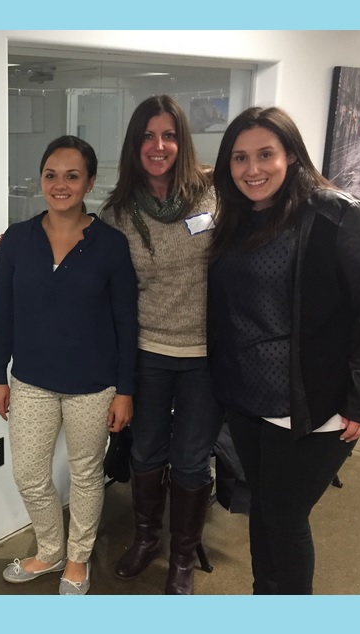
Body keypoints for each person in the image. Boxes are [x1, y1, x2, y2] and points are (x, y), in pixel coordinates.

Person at [207, 106, 360, 594]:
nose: (252, 169)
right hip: (246, 397)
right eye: (240, 158)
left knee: (285, 515)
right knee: (263, 507)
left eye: (266, 155)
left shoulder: (335, 214)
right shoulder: (236, 217)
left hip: (311, 400)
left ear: (292, 156)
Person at [0, 135, 138, 595]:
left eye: (72, 176)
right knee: (29, 474)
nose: (60, 184)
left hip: (94, 385)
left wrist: (125, 390)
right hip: (31, 381)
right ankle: (51, 550)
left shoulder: (111, 245)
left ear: (89, 182)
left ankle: (77, 559)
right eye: (51, 175)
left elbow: (126, 323)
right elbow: (2, 314)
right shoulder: (17, 240)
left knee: (86, 475)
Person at [99, 95, 223, 594]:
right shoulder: (117, 212)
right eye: (148, 136)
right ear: (135, 143)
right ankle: (147, 538)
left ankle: (183, 558)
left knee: (191, 459)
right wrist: (24, 241)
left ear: (182, 141)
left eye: (169, 135)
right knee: (147, 452)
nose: (159, 145)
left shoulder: (215, 193)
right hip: (147, 352)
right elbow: (91, 266)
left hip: (207, 356)